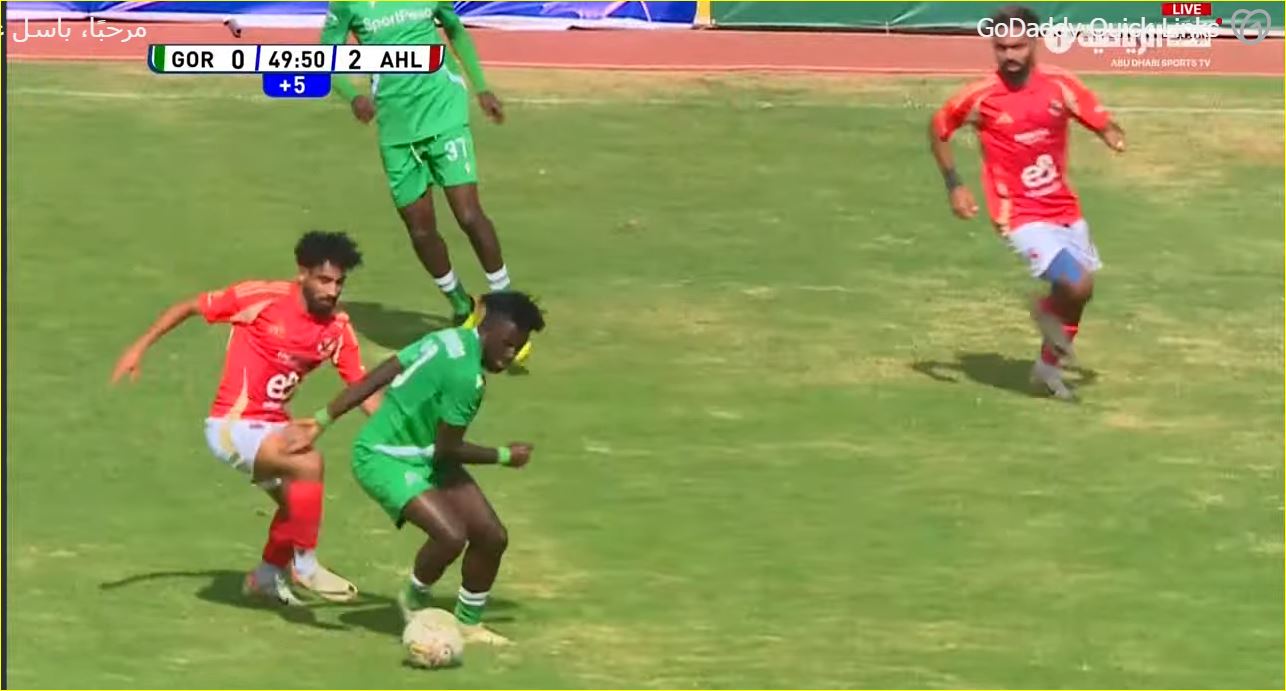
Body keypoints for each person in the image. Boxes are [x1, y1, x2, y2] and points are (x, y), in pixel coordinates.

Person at [110, 231, 379, 605]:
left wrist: (397, 433)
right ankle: (305, 566)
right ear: (302, 273)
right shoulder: (261, 298)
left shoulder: (337, 328)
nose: (332, 291)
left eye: (339, 283)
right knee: (308, 463)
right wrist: (138, 347)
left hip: (273, 426)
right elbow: (190, 306)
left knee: (297, 506)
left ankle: (264, 578)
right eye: (324, 280)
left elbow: (362, 388)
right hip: (231, 426)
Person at [285, 291, 545, 645]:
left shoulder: (445, 339)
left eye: (518, 347)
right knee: (451, 536)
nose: (511, 355)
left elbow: (379, 375)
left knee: (492, 536)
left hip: (425, 453)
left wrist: (323, 419)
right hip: (383, 456)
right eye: (508, 344)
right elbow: (449, 449)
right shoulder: (468, 378)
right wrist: (504, 456)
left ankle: (468, 624)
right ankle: (413, 600)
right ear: (489, 328)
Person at [929, 4, 1126, 400]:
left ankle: (1046, 370)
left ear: (1034, 42)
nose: (1010, 55)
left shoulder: (1060, 85)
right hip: (1018, 213)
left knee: (1079, 295)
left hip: (1064, 208)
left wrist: (1110, 134)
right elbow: (938, 128)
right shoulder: (981, 96)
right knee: (1077, 283)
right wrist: (954, 185)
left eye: (1017, 46)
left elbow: (1098, 117)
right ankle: (1044, 309)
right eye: (1001, 48)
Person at [320, 2, 532, 366]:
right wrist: (353, 96)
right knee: (420, 230)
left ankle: (507, 308)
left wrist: (481, 88)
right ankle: (461, 305)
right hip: (397, 129)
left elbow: (456, 29)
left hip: (443, 112)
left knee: (468, 214)